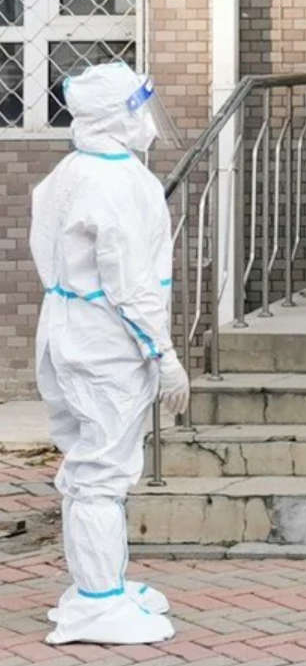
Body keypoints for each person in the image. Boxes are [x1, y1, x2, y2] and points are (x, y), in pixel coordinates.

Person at [32, 62, 190, 645]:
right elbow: (130, 285)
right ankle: (98, 604)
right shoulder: (118, 184)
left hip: (68, 329)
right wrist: (163, 354)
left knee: (85, 464)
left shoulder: (70, 172)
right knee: (103, 471)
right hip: (105, 342)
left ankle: (100, 584)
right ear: (121, 115)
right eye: (141, 105)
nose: (150, 119)